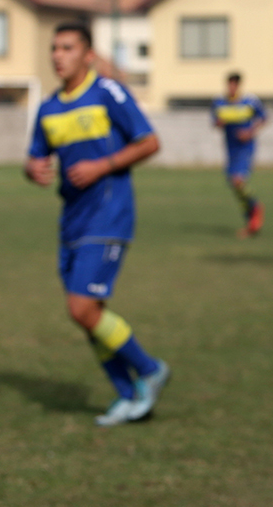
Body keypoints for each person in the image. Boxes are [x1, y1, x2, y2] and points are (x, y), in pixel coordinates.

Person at [25, 21, 170, 426]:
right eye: (55, 48)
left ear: (88, 55)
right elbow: (35, 155)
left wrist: (103, 165)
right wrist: (32, 170)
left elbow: (150, 142)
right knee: (91, 314)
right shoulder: (48, 108)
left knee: (81, 307)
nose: (58, 55)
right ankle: (129, 395)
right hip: (71, 220)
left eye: (68, 48)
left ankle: (150, 370)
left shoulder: (108, 92)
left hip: (109, 214)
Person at [211, 72, 266, 237]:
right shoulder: (219, 103)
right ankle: (251, 222)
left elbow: (263, 118)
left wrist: (250, 132)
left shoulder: (249, 102)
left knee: (238, 181)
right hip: (230, 149)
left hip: (245, 148)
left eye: (235, 84)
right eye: (230, 84)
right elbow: (215, 122)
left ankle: (255, 208)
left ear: (239, 85)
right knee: (235, 185)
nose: (232, 87)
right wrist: (219, 123)